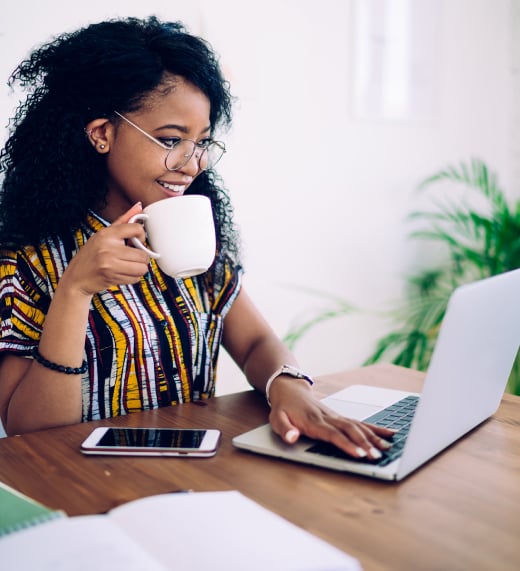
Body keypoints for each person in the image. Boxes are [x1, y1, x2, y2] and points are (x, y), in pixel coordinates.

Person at [0, 16, 393, 459]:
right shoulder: (25, 260)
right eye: (172, 139)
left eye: (202, 142)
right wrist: (76, 290)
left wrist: (291, 388)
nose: (194, 164)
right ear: (101, 134)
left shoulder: (187, 228)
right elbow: (27, 430)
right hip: (78, 485)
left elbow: (254, 341)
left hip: (194, 469)